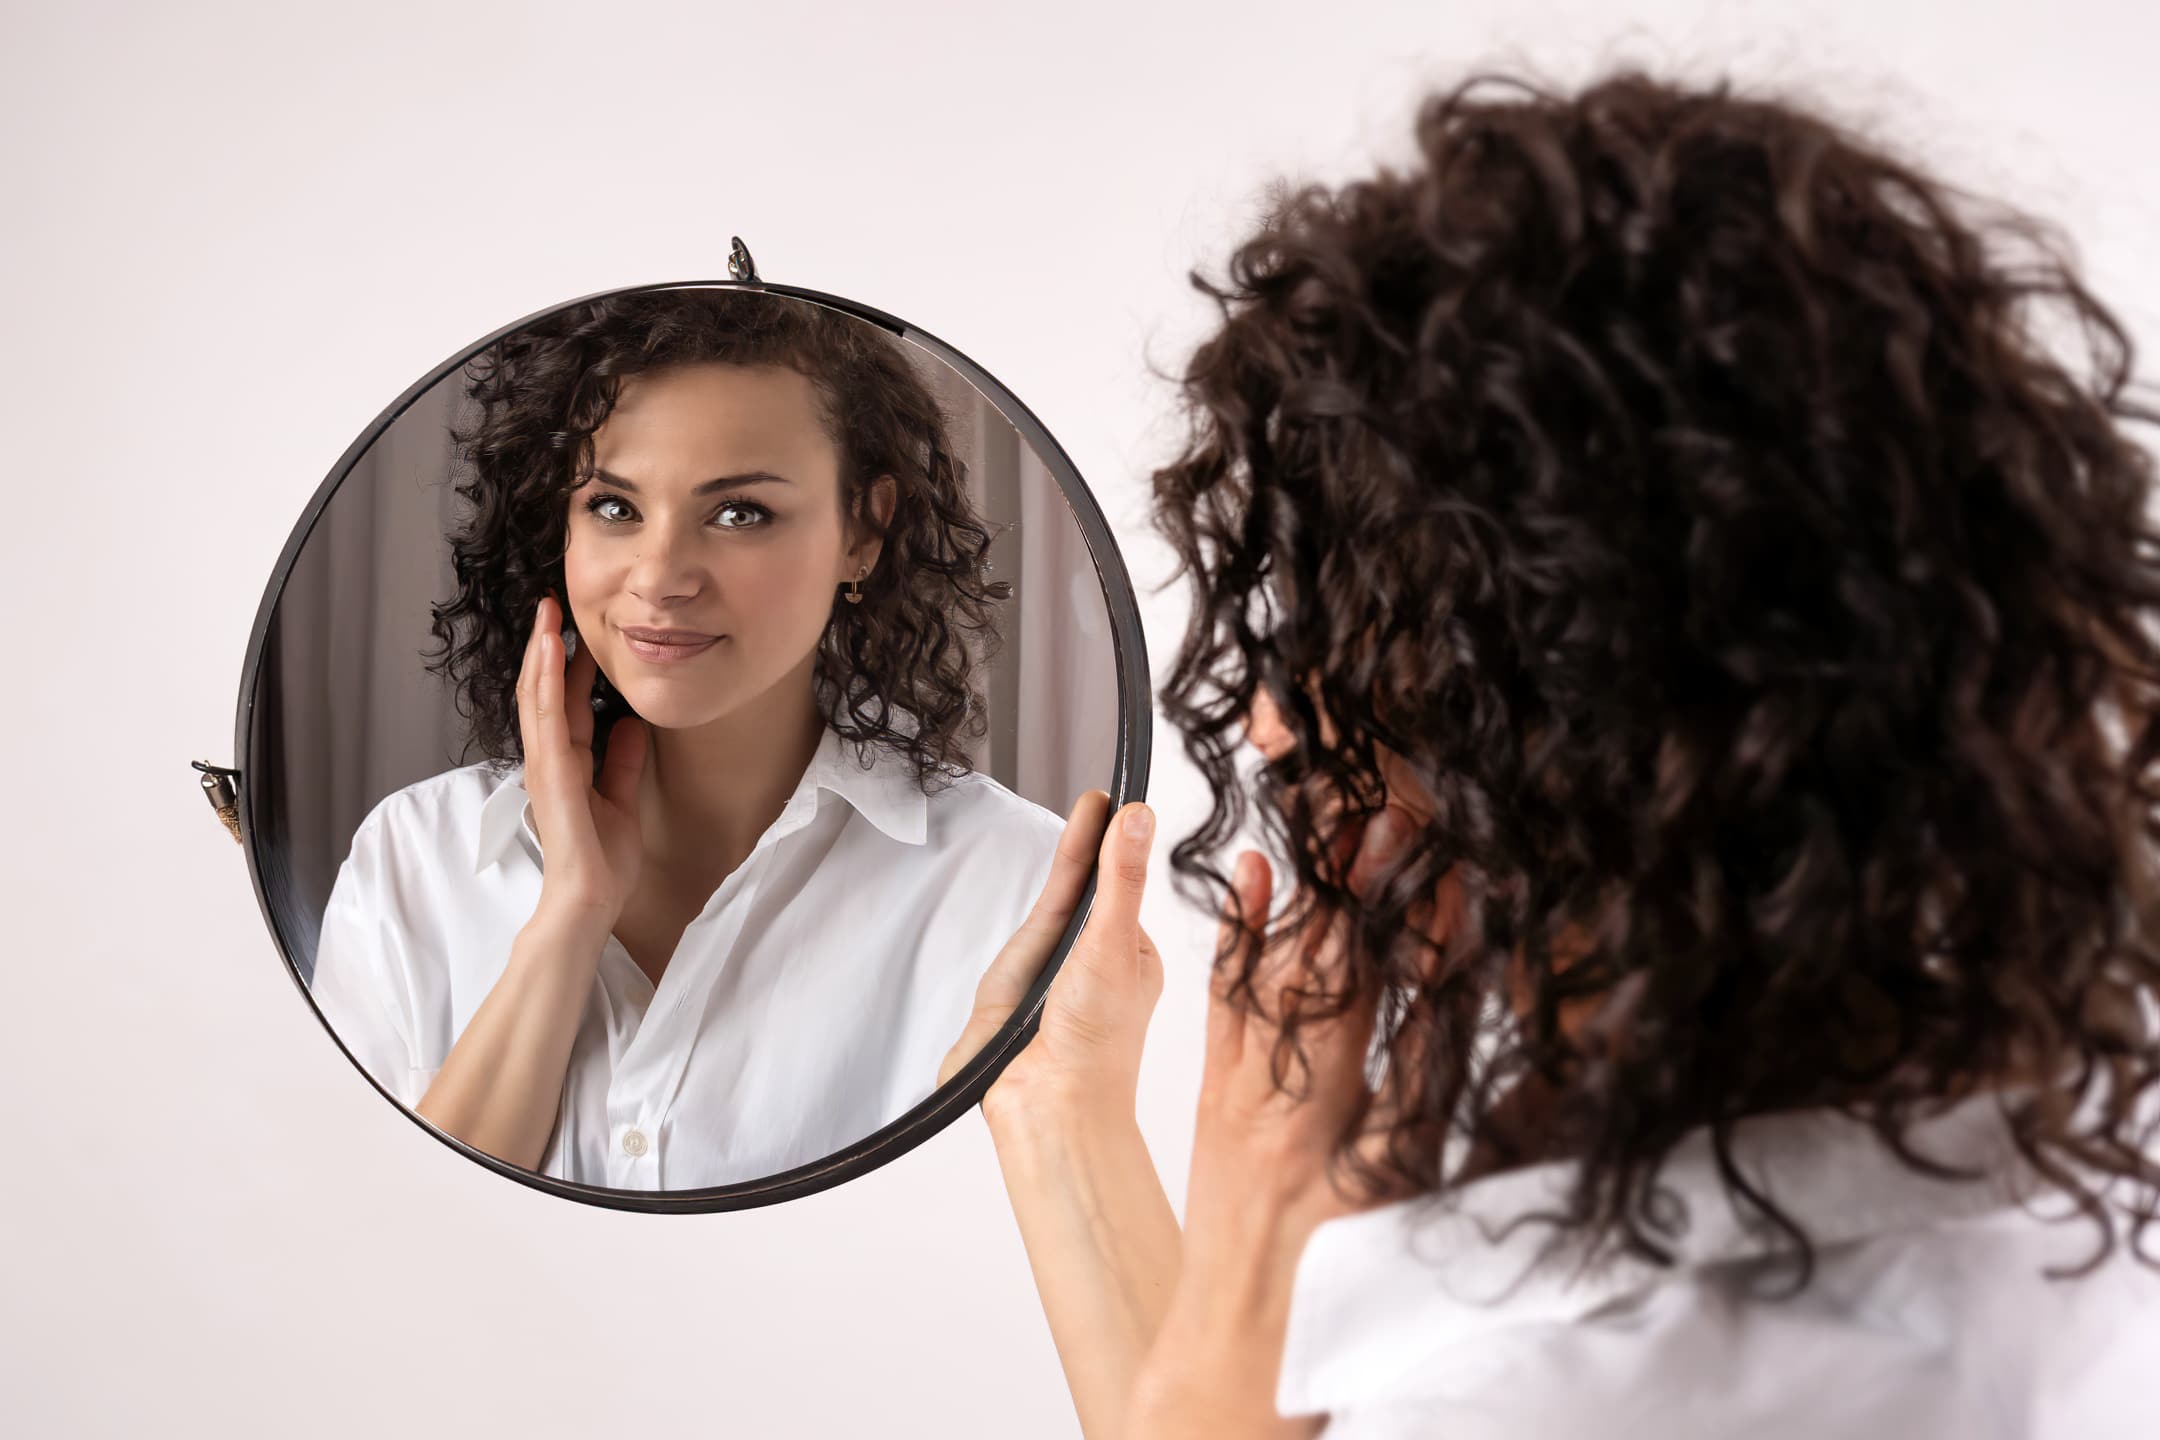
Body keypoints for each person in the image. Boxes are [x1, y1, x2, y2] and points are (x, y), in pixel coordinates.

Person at [959, 70, 2160, 1438]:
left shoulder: (1569, 1397)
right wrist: (1067, 1123)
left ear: (1571, 723)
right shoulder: (2064, 1220)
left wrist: (1231, 1339)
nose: (1279, 726)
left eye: (1345, 631)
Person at [307, 287, 1065, 1190]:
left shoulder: (1015, 882)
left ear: (864, 530)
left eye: (739, 512)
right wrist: (571, 915)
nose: (659, 577)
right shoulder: (414, 857)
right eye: (615, 508)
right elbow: (382, 1244)